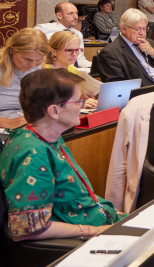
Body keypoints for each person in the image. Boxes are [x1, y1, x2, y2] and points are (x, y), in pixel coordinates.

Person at [0, 69, 124, 240]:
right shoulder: (33, 154)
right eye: (78, 101)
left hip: (102, 221)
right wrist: (93, 231)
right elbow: (29, 227)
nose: (82, 106)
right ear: (54, 111)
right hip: (85, 238)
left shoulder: (50, 138)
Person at [96, 8, 154, 89]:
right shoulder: (110, 52)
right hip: (145, 94)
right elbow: (118, 88)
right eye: (137, 29)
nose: (142, 33)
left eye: (144, 29)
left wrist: (153, 53)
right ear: (123, 29)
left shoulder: (149, 43)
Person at [0, 29, 49, 129]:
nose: (33, 65)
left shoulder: (39, 67)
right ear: (12, 50)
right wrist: (8, 122)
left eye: (39, 60)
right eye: (27, 59)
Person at [44, 31, 100, 107]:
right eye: (69, 50)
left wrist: (84, 99)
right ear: (54, 51)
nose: (74, 54)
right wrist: (77, 104)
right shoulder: (44, 72)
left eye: (77, 50)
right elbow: (46, 103)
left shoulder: (73, 70)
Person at [35, 2, 92, 68]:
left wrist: (94, 65)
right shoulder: (42, 29)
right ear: (59, 16)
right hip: (46, 69)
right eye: (70, 13)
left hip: (71, 70)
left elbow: (79, 59)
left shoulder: (78, 34)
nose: (75, 17)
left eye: (76, 13)